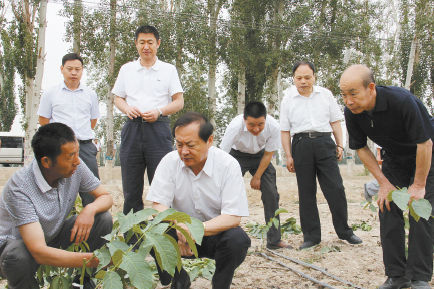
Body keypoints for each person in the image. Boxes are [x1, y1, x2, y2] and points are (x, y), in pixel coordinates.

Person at [340, 64, 433, 289]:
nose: (348, 100)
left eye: (353, 94)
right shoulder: (352, 112)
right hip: (395, 159)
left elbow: (425, 143)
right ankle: (397, 275)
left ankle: (419, 277)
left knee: (420, 210)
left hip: (425, 154)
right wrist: (383, 183)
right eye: (343, 95)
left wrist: (418, 185)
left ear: (370, 88)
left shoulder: (401, 101)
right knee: (387, 205)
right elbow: (360, 147)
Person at [0, 123, 113, 289]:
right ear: (46, 162)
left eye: (77, 153)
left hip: (51, 235)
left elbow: (105, 197)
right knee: (18, 256)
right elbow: (38, 251)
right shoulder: (20, 187)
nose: (77, 161)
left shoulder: (76, 167)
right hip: (15, 249)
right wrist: (95, 260)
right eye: (70, 156)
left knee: (102, 218)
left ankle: (81, 283)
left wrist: (89, 209)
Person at [146, 112, 251, 289]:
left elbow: (233, 217)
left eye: (190, 145)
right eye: (179, 144)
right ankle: (177, 277)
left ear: (209, 141)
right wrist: (180, 226)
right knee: (147, 231)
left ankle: (220, 283)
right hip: (178, 233)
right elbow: (158, 204)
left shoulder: (227, 165)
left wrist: (194, 230)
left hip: (213, 233)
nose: (184, 151)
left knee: (237, 240)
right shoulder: (169, 162)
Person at [280, 61, 361, 250]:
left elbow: (335, 121)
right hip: (300, 144)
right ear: (293, 79)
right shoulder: (288, 99)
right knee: (306, 192)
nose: (303, 81)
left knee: (336, 188)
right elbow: (284, 130)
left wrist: (340, 144)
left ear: (314, 76)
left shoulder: (325, 95)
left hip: (325, 143)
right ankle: (311, 237)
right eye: (299, 78)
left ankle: (345, 232)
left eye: (307, 77)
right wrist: (288, 156)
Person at [112, 25, 184, 215]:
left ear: (158, 44)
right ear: (136, 44)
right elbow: (117, 98)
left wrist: (159, 111)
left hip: (158, 130)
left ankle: (165, 236)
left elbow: (179, 102)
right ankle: (131, 240)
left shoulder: (168, 70)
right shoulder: (127, 69)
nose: (146, 46)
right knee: (131, 189)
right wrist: (127, 108)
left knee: (161, 187)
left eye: (150, 42)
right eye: (142, 42)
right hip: (132, 129)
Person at [220, 101, 291, 249]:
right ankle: (220, 235)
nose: (256, 128)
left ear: (266, 119)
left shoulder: (273, 126)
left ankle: (274, 240)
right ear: (244, 119)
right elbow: (222, 154)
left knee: (271, 193)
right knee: (224, 191)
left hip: (261, 156)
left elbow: (268, 154)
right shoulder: (234, 126)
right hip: (236, 156)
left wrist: (257, 176)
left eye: (260, 124)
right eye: (251, 125)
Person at [38, 53, 100, 206]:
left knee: (91, 192)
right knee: (56, 189)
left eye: (77, 69)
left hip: (85, 147)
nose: (74, 73)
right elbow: (43, 120)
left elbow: (93, 120)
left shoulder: (90, 94)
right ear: (62, 69)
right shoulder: (50, 93)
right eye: (70, 69)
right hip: (60, 148)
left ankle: (95, 227)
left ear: (82, 70)